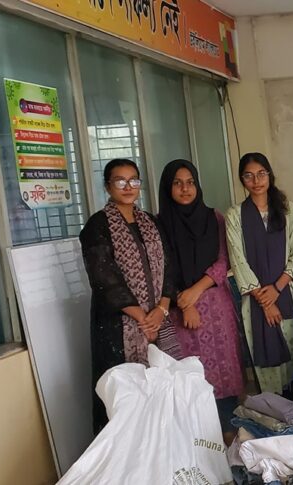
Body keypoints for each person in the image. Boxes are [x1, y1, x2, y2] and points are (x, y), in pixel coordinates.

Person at [80, 158, 183, 431]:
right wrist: (143, 318)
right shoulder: (97, 225)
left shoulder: (150, 222)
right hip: (118, 327)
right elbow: (104, 277)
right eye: (120, 181)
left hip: (157, 320)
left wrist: (160, 310)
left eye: (133, 180)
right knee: (123, 395)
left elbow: (169, 267)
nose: (128, 187)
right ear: (107, 186)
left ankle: (160, 444)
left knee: (160, 388)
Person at [158, 159, 245, 438]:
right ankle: (200, 441)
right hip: (178, 312)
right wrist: (184, 303)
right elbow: (160, 269)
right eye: (177, 183)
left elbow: (224, 259)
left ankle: (230, 434)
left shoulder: (213, 218)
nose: (185, 189)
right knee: (191, 376)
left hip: (216, 309)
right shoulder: (158, 225)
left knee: (224, 371)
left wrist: (195, 291)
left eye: (190, 182)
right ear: (167, 187)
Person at [226, 152, 293, 396]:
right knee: (269, 369)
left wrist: (277, 288)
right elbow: (238, 260)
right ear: (242, 179)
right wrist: (266, 301)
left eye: (261, 174)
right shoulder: (235, 215)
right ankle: (276, 410)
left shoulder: (287, 210)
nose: (256, 181)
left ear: (270, 175)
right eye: (249, 176)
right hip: (255, 302)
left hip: (287, 293)